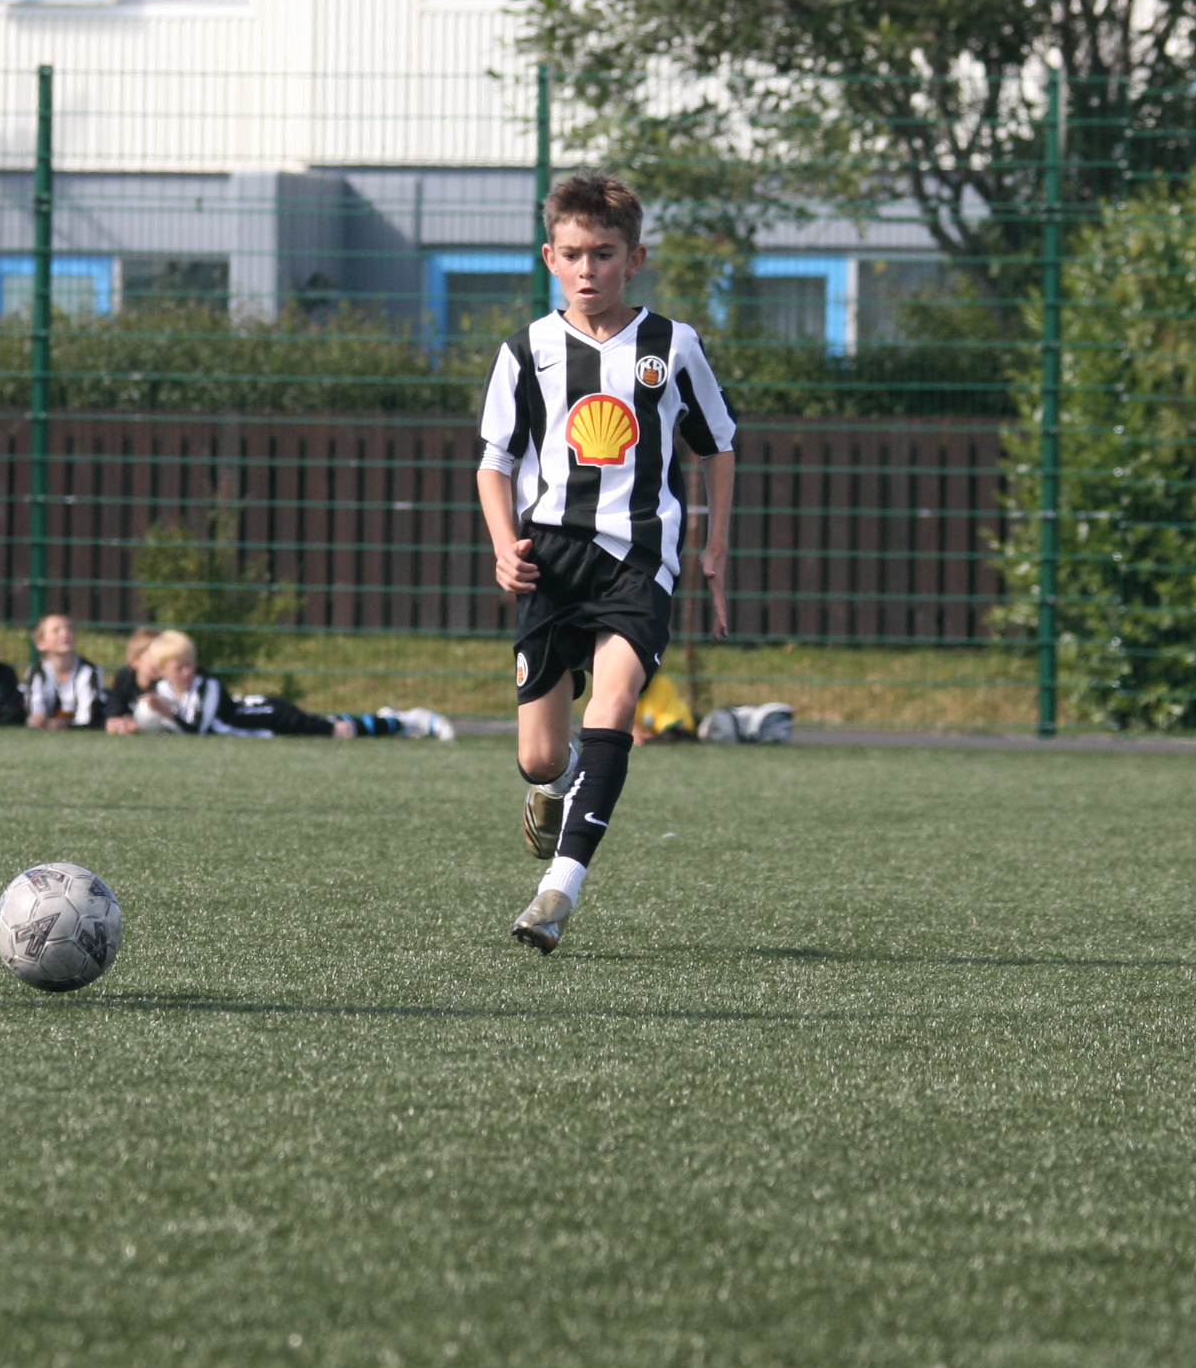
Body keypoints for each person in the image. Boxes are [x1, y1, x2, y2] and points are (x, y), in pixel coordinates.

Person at [476, 173, 738, 954]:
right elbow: (494, 463)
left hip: (639, 557)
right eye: (573, 254)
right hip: (552, 559)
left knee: (615, 706)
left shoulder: (673, 346)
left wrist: (714, 547)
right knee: (539, 757)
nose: (587, 269)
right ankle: (555, 787)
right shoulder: (527, 351)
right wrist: (503, 548)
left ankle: (559, 890)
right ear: (549, 257)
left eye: (604, 253)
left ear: (635, 258)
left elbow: (718, 445)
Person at [126, 629, 454, 741]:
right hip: (258, 719)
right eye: (179, 667)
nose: (187, 671)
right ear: (163, 670)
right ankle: (388, 717)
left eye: (190, 664)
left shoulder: (208, 685)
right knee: (331, 725)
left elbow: (197, 729)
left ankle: (404, 720)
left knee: (335, 731)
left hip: (269, 716)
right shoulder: (165, 691)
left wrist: (166, 714)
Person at [25, 612, 109, 728]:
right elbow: (35, 709)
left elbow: (87, 716)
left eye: (69, 629)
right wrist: (39, 719)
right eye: (56, 630)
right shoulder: (36, 672)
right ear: (41, 643)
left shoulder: (88, 672)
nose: (64, 634)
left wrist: (66, 722)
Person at [100, 624, 160, 734]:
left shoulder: (165, 684)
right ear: (134, 661)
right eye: (154, 656)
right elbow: (114, 712)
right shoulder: (124, 679)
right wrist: (119, 723)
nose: (159, 662)